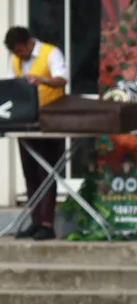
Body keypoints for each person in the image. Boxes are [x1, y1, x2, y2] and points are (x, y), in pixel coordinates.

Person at [5, 27, 67, 240]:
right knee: (30, 172)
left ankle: (47, 223)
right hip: (25, 120)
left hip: (50, 119)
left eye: (21, 51)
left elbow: (62, 79)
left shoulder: (51, 53)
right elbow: (13, 85)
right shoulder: (15, 60)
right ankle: (35, 221)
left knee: (46, 172)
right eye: (16, 53)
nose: (19, 56)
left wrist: (43, 80)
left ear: (29, 43)